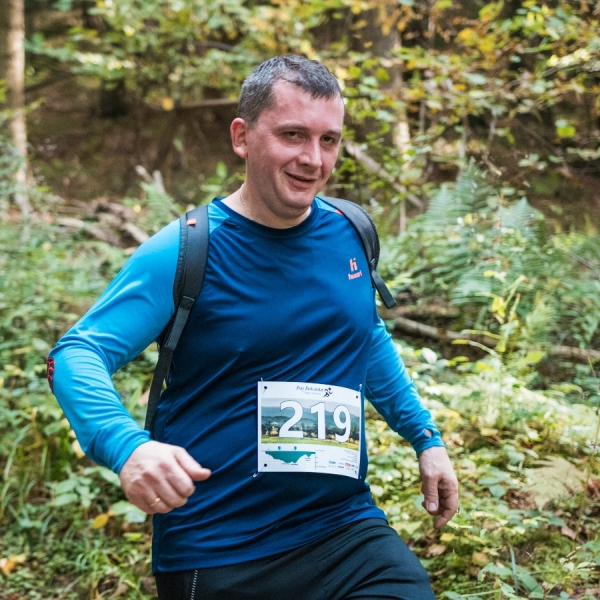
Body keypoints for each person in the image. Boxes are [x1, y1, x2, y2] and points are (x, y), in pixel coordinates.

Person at [48, 55, 458, 600]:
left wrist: (425, 437)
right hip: (220, 547)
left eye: (329, 140)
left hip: (343, 529)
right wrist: (127, 448)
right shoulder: (187, 249)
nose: (313, 159)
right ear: (242, 137)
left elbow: (363, 335)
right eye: (293, 135)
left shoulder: (349, 231)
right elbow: (75, 354)